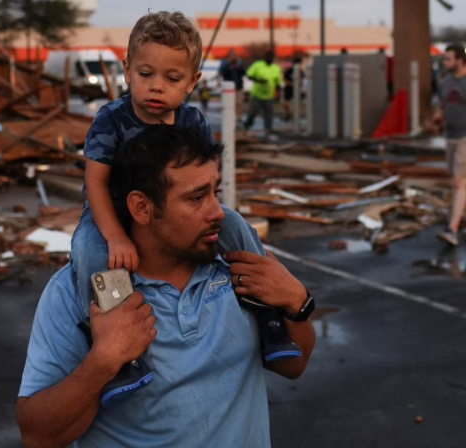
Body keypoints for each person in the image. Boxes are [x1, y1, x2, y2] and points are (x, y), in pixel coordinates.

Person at [17, 125, 317, 448]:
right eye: (196, 198)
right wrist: (103, 362)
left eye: (215, 192)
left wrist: (297, 303)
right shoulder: (76, 291)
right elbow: (38, 436)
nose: (218, 212)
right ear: (142, 208)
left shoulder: (239, 266)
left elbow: (293, 365)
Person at [71, 10, 303, 403]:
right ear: (127, 70)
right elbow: (94, 183)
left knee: (234, 223)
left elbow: (203, 181)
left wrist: (204, 213)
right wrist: (114, 236)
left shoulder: (192, 122)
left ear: (193, 82)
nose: (156, 87)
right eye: (146, 75)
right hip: (111, 212)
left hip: (172, 213)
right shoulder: (110, 120)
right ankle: (118, 349)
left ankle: (268, 313)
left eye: (172, 78)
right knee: (89, 252)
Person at [434, 44, 466, 246]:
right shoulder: (445, 83)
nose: (445, 62)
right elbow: (442, 104)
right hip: (450, 135)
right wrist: (438, 116)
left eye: (448, 59)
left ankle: (452, 228)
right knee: (457, 181)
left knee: (458, 180)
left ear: (460, 61)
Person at [243, 50, 283, 135]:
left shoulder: (276, 68)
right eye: (268, 57)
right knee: (252, 112)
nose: (270, 59)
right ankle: (247, 125)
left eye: (271, 58)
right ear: (265, 57)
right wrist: (259, 80)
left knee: (269, 114)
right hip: (257, 95)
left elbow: (278, 83)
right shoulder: (258, 65)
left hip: (269, 96)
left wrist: (278, 95)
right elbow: (249, 75)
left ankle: (268, 129)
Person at [218, 49, 247, 121]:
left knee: (239, 103)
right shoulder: (225, 63)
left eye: (235, 55)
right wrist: (228, 66)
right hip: (229, 88)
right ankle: (229, 117)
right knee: (229, 104)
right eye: (232, 55)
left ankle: (239, 118)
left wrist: (239, 67)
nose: (234, 57)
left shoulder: (239, 63)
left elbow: (244, 73)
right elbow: (221, 72)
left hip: (238, 87)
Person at [282, 57, 305, 121]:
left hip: (296, 89)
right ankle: (289, 113)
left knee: (296, 103)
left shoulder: (301, 71)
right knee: (285, 103)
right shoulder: (289, 71)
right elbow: (285, 79)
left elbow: (302, 81)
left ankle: (293, 115)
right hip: (288, 88)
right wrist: (291, 84)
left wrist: (301, 88)